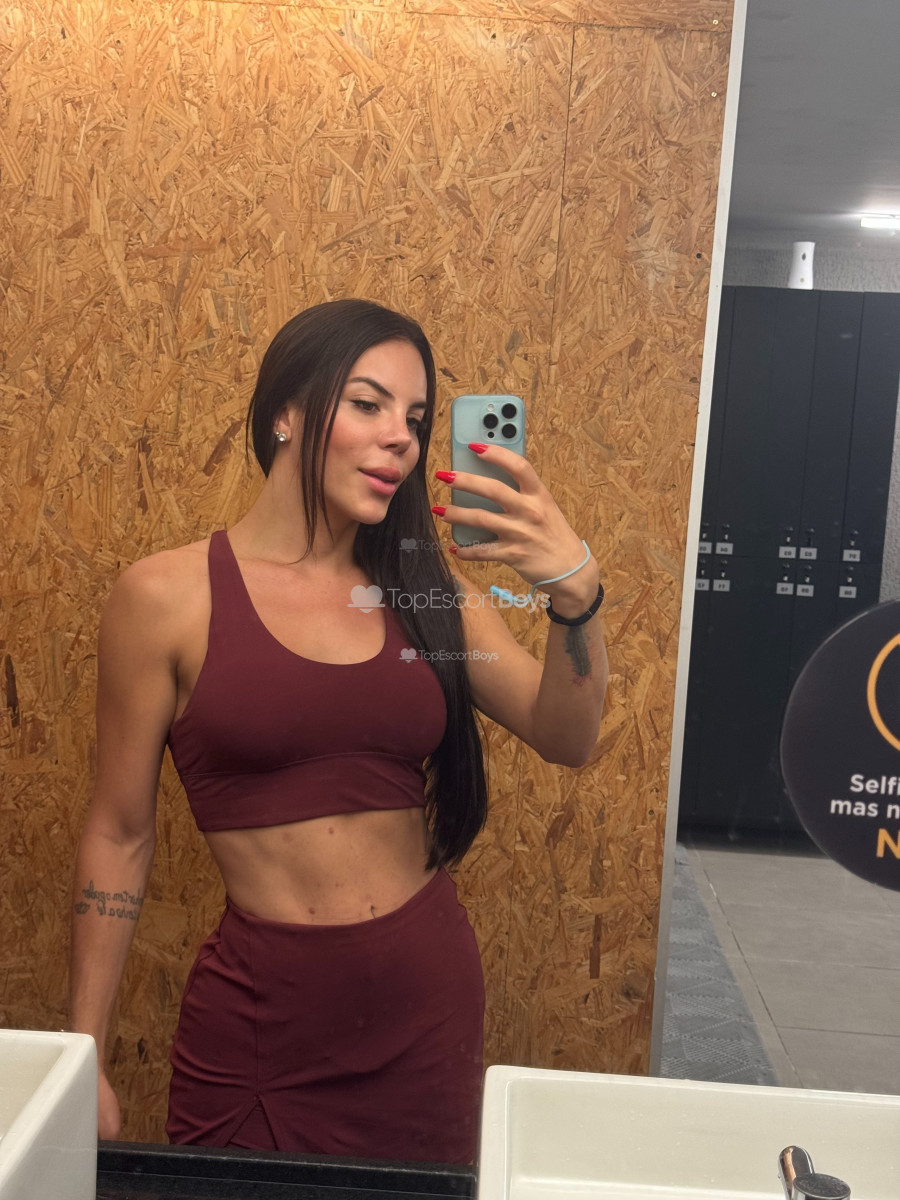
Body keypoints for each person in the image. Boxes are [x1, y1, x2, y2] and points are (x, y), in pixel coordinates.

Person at [69, 298, 608, 1165]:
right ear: (286, 412)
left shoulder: (429, 595)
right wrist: (83, 1050)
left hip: (426, 1015)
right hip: (261, 1035)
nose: (401, 437)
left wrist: (576, 598)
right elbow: (120, 832)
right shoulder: (165, 599)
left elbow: (566, 735)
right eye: (369, 403)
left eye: (417, 419)